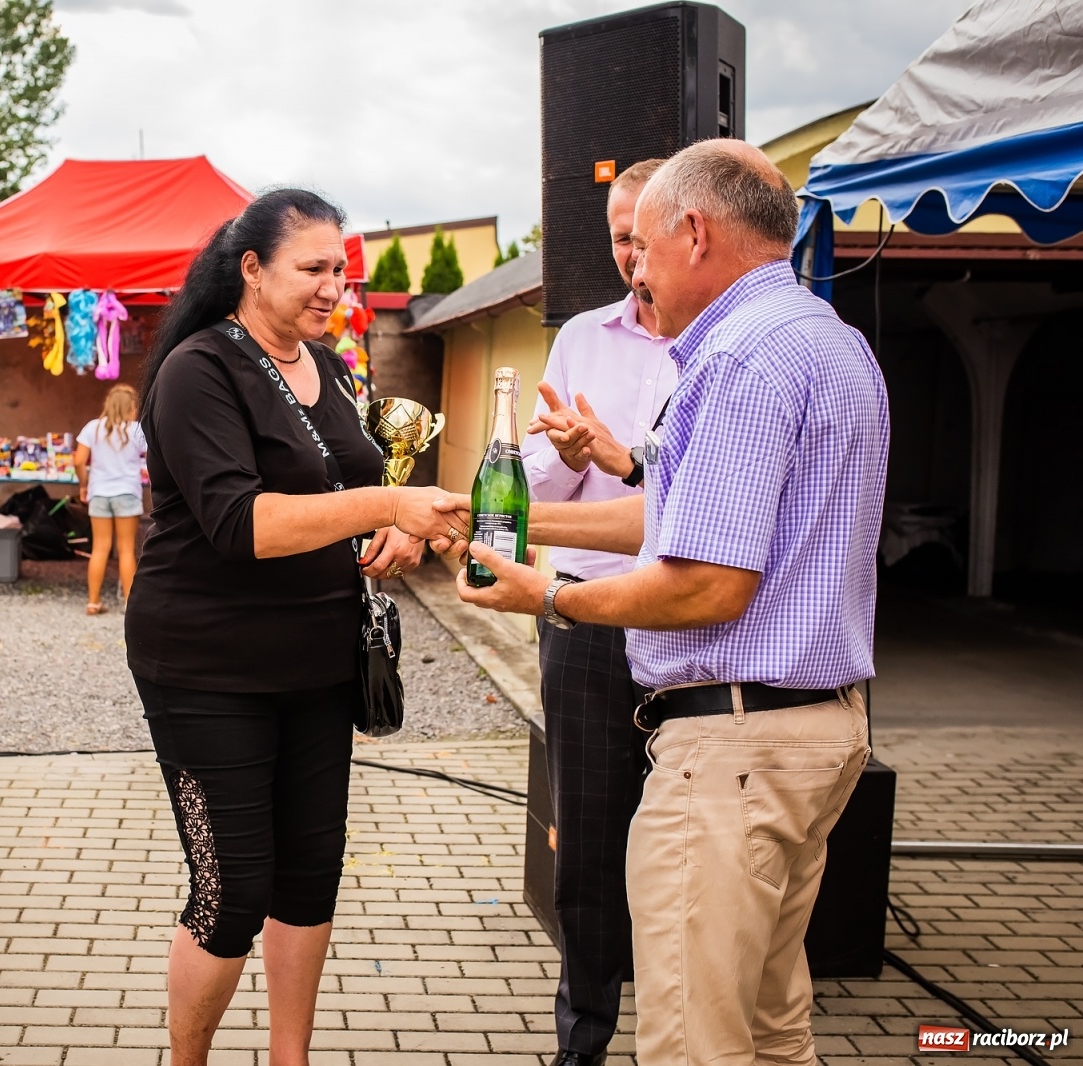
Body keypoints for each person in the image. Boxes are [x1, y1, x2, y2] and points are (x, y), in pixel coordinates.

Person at [452, 140, 888, 1066]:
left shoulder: (735, 358)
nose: (635, 272)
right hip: (818, 736)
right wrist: (518, 534)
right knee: (771, 1030)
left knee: (695, 1044)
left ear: (696, 232)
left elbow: (706, 583)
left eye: (642, 247)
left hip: (732, 754)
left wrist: (552, 597)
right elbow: (680, 517)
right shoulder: (831, 340)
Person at [124, 188, 470, 1066]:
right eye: (312, 268)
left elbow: (340, 491)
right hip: (207, 667)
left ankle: (292, 1060)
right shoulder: (199, 369)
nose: (332, 287)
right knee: (233, 890)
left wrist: (388, 529)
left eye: (340, 270)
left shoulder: (334, 369)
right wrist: (388, 499)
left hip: (319, 663)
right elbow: (240, 522)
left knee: (310, 878)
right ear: (251, 268)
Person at [518, 157, 674, 1066]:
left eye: (638, 236)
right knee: (585, 838)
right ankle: (583, 1041)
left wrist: (626, 457)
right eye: (616, 236)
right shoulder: (581, 336)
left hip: (698, 618)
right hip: (583, 617)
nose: (626, 253)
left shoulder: (723, 344)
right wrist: (559, 449)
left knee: (682, 837)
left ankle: (680, 1026)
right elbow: (540, 487)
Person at [76, 383, 148, 614]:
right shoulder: (137, 430)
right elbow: (153, 458)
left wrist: (84, 485)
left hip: (99, 493)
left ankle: (93, 602)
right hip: (127, 492)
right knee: (126, 550)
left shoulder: (92, 428)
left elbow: (79, 461)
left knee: (99, 548)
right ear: (130, 407)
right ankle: (130, 603)